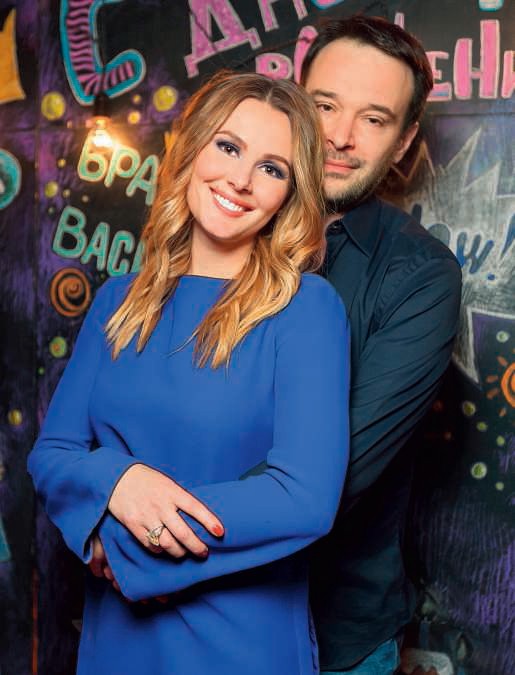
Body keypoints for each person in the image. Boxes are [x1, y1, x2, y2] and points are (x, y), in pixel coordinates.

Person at [28, 71, 350, 675]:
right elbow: (53, 453)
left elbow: (303, 496)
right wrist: (118, 479)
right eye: (228, 147)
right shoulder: (118, 299)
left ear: (290, 193)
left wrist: (125, 546)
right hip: (117, 641)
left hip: (240, 643)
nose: (240, 179)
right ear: (193, 148)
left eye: (271, 168)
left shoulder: (306, 309)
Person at [299, 15, 462, 675]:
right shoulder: (214, 232)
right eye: (324, 106)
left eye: (373, 119)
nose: (340, 137)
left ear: (403, 142)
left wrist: (159, 545)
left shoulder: (420, 275)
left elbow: (330, 479)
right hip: (166, 621)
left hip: (334, 638)